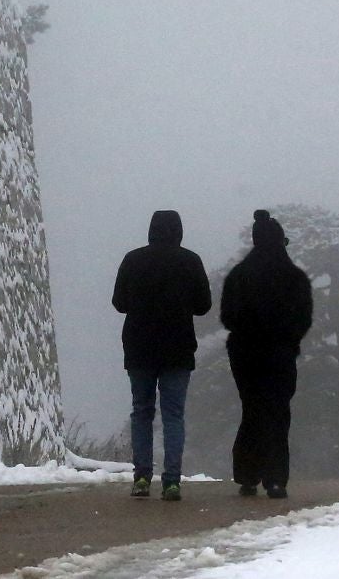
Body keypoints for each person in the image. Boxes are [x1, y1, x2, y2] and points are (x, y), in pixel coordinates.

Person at [112, 209, 213, 501]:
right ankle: (171, 481)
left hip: (139, 347)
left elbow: (119, 303)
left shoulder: (133, 259)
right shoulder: (190, 260)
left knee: (141, 411)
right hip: (178, 348)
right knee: (173, 415)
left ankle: (142, 477)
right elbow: (203, 305)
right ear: (179, 230)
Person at [220, 209, 315, 499]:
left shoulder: (238, 275)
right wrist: (286, 338)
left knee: (252, 409)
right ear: (280, 242)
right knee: (277, 411)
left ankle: (248, 475)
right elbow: (304, 319)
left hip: (244, 354)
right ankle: (275, 479)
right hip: (280, 354)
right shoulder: (295, 277)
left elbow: (227, 317)